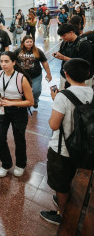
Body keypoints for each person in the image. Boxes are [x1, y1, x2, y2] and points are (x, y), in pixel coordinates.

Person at [40, 58, 93, 225]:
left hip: (62, 148)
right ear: (88, 74)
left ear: (66, 74)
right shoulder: (92, 92)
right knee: (75, 176)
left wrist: (56, 99)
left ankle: (63, 215)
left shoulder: (63, 96)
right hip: (85, 146)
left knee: (61, 183)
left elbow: (54, 125)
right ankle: (70, 200)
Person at [0, 51, 34, 178]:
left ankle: (20, 164)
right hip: (3, 109)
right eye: (1, 61)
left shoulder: (21, 78)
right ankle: (6, 164)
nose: (3, 64)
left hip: (18, 111)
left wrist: (11, 103)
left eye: (6, 61)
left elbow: (30, 101)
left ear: (14, 62)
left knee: (19, 138)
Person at [15, 36, 52, 108]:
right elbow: (12, 61)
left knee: (36, 90)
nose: (29, 43)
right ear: (23, 43)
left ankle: (35, 100)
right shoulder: (18, 51)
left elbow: (44, 62)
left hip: (36, 76)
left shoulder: (38, 51)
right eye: (27, 42)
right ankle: (26, 102)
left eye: (31, 42)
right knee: (22, 91)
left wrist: (49, 74)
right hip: (22, 77)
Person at [54, 23, 92, 89]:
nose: (62, 38)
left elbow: (85, 63)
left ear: (71, 32)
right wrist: (58, 54)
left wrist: (64, 58)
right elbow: (62, 52)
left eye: (64, 35)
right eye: (61, 36)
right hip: (66, 76)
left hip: (80, 79)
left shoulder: (84, 44)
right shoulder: (65, 42)